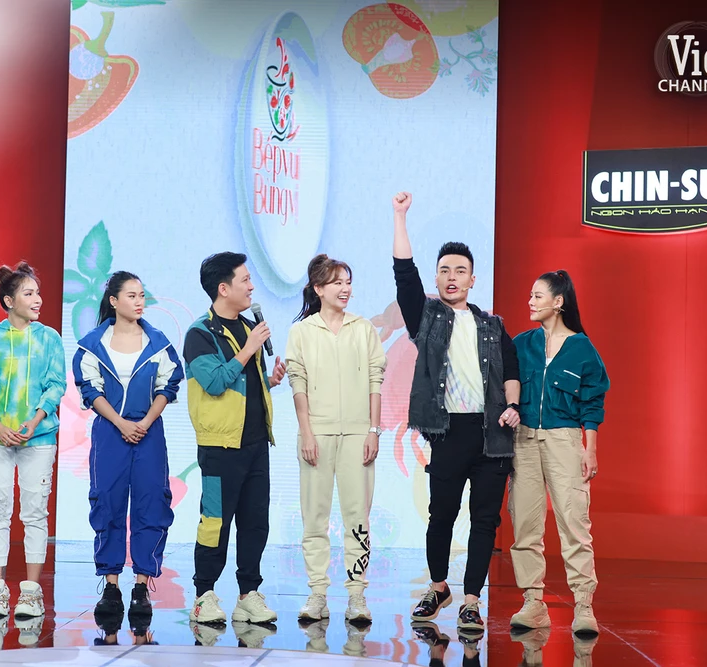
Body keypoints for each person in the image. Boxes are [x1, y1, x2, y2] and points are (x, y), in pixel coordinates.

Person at [391, 192, 521, 632]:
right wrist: (400, 216)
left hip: (492, 434)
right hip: (448, 431)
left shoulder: (493, 325)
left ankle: (470, 600)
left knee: (484, 520)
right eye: (444, 270)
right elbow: (404, 276)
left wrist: (513, 406)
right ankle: (439, 587)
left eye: (460, 271)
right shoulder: (426, 317)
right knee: (441, 516)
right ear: (437, 277)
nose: (452, 277)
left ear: (472, 279)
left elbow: (511, 370)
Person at [74, 271, 184, 619]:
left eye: (141, 296)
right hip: (110, 432)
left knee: (151, 503)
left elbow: (169, 385)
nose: (139, 302)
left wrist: (145, 423)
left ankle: (141, 585)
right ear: (114, 301)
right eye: (132, 296)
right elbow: (90, 389)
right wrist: (121, 423)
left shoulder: (158, 343)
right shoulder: (92, 344)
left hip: (149, 433)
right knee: (107, 502)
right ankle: (110, 585)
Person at [184, 252, 286, 625]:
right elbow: (214, 382)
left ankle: (248, 595)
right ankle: (204, 595)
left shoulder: (247, 327)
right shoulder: (200, 333)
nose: (252, 287)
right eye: (245, 280)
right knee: (215, 522)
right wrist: (248, 350)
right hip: (220, 447)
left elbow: (241, 384)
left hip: (256, 443)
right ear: (223, 288)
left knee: (255, 521)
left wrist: (269, 380)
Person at [285, 254, 386, 624]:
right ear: (318, 289)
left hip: (359, 434)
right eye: (337, 282)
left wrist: (373, 430)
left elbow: (376, 379)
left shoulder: (364, 328)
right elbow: (298, 384)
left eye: (347, 282)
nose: (345, 289)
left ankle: (357, 594)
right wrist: (307, 432)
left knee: (358, 517)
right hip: (317, 434)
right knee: (315, 517)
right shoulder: (302, 332)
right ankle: (317, 593)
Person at [508, 270, 609, 636]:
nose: (530, 301)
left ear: (558, 301)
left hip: (565, 440)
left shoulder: (582, 348)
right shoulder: (522, 344)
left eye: (537, 296)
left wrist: (590, 449)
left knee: (574, 523)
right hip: (523, 440)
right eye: (530, 295)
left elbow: (592, 402)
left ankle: (583, 604)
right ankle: (533, 603)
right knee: (524, 524)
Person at [0, 262, 66, 619]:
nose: (38, 300)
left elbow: (56, 384)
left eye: (38, 293)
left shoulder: (49, 338)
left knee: (35, 512)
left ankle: (31, 593)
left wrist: (34, 421)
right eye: (29, 293)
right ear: (9, 301)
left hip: (38, 438)